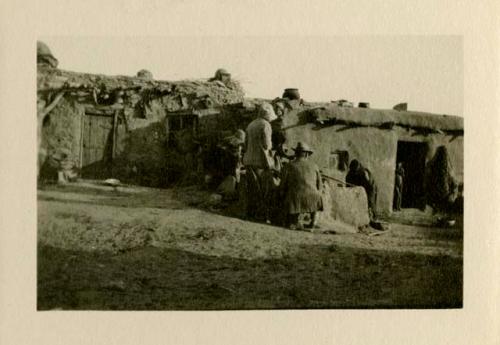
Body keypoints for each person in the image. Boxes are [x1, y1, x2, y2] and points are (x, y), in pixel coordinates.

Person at [243, 102, 277, 221]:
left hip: (248, 160)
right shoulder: (265, 125)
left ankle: (251, 214)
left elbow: (245, 144)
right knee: (264, 190)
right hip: (260, 161)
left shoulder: (250, 125)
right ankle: (262, 216)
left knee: (252, 189)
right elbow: (267, 145)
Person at [280, 142, 323, 230]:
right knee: (316, 195)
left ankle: (295, 221)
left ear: (296, 153)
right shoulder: (315, 166)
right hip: (314, 197)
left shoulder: (289, 165)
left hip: (296, 198)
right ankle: (313, 221)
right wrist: (318, 193)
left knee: (289, 195)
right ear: (307, 154)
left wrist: (281, 192)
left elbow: (283, 184)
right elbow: (320, 185)